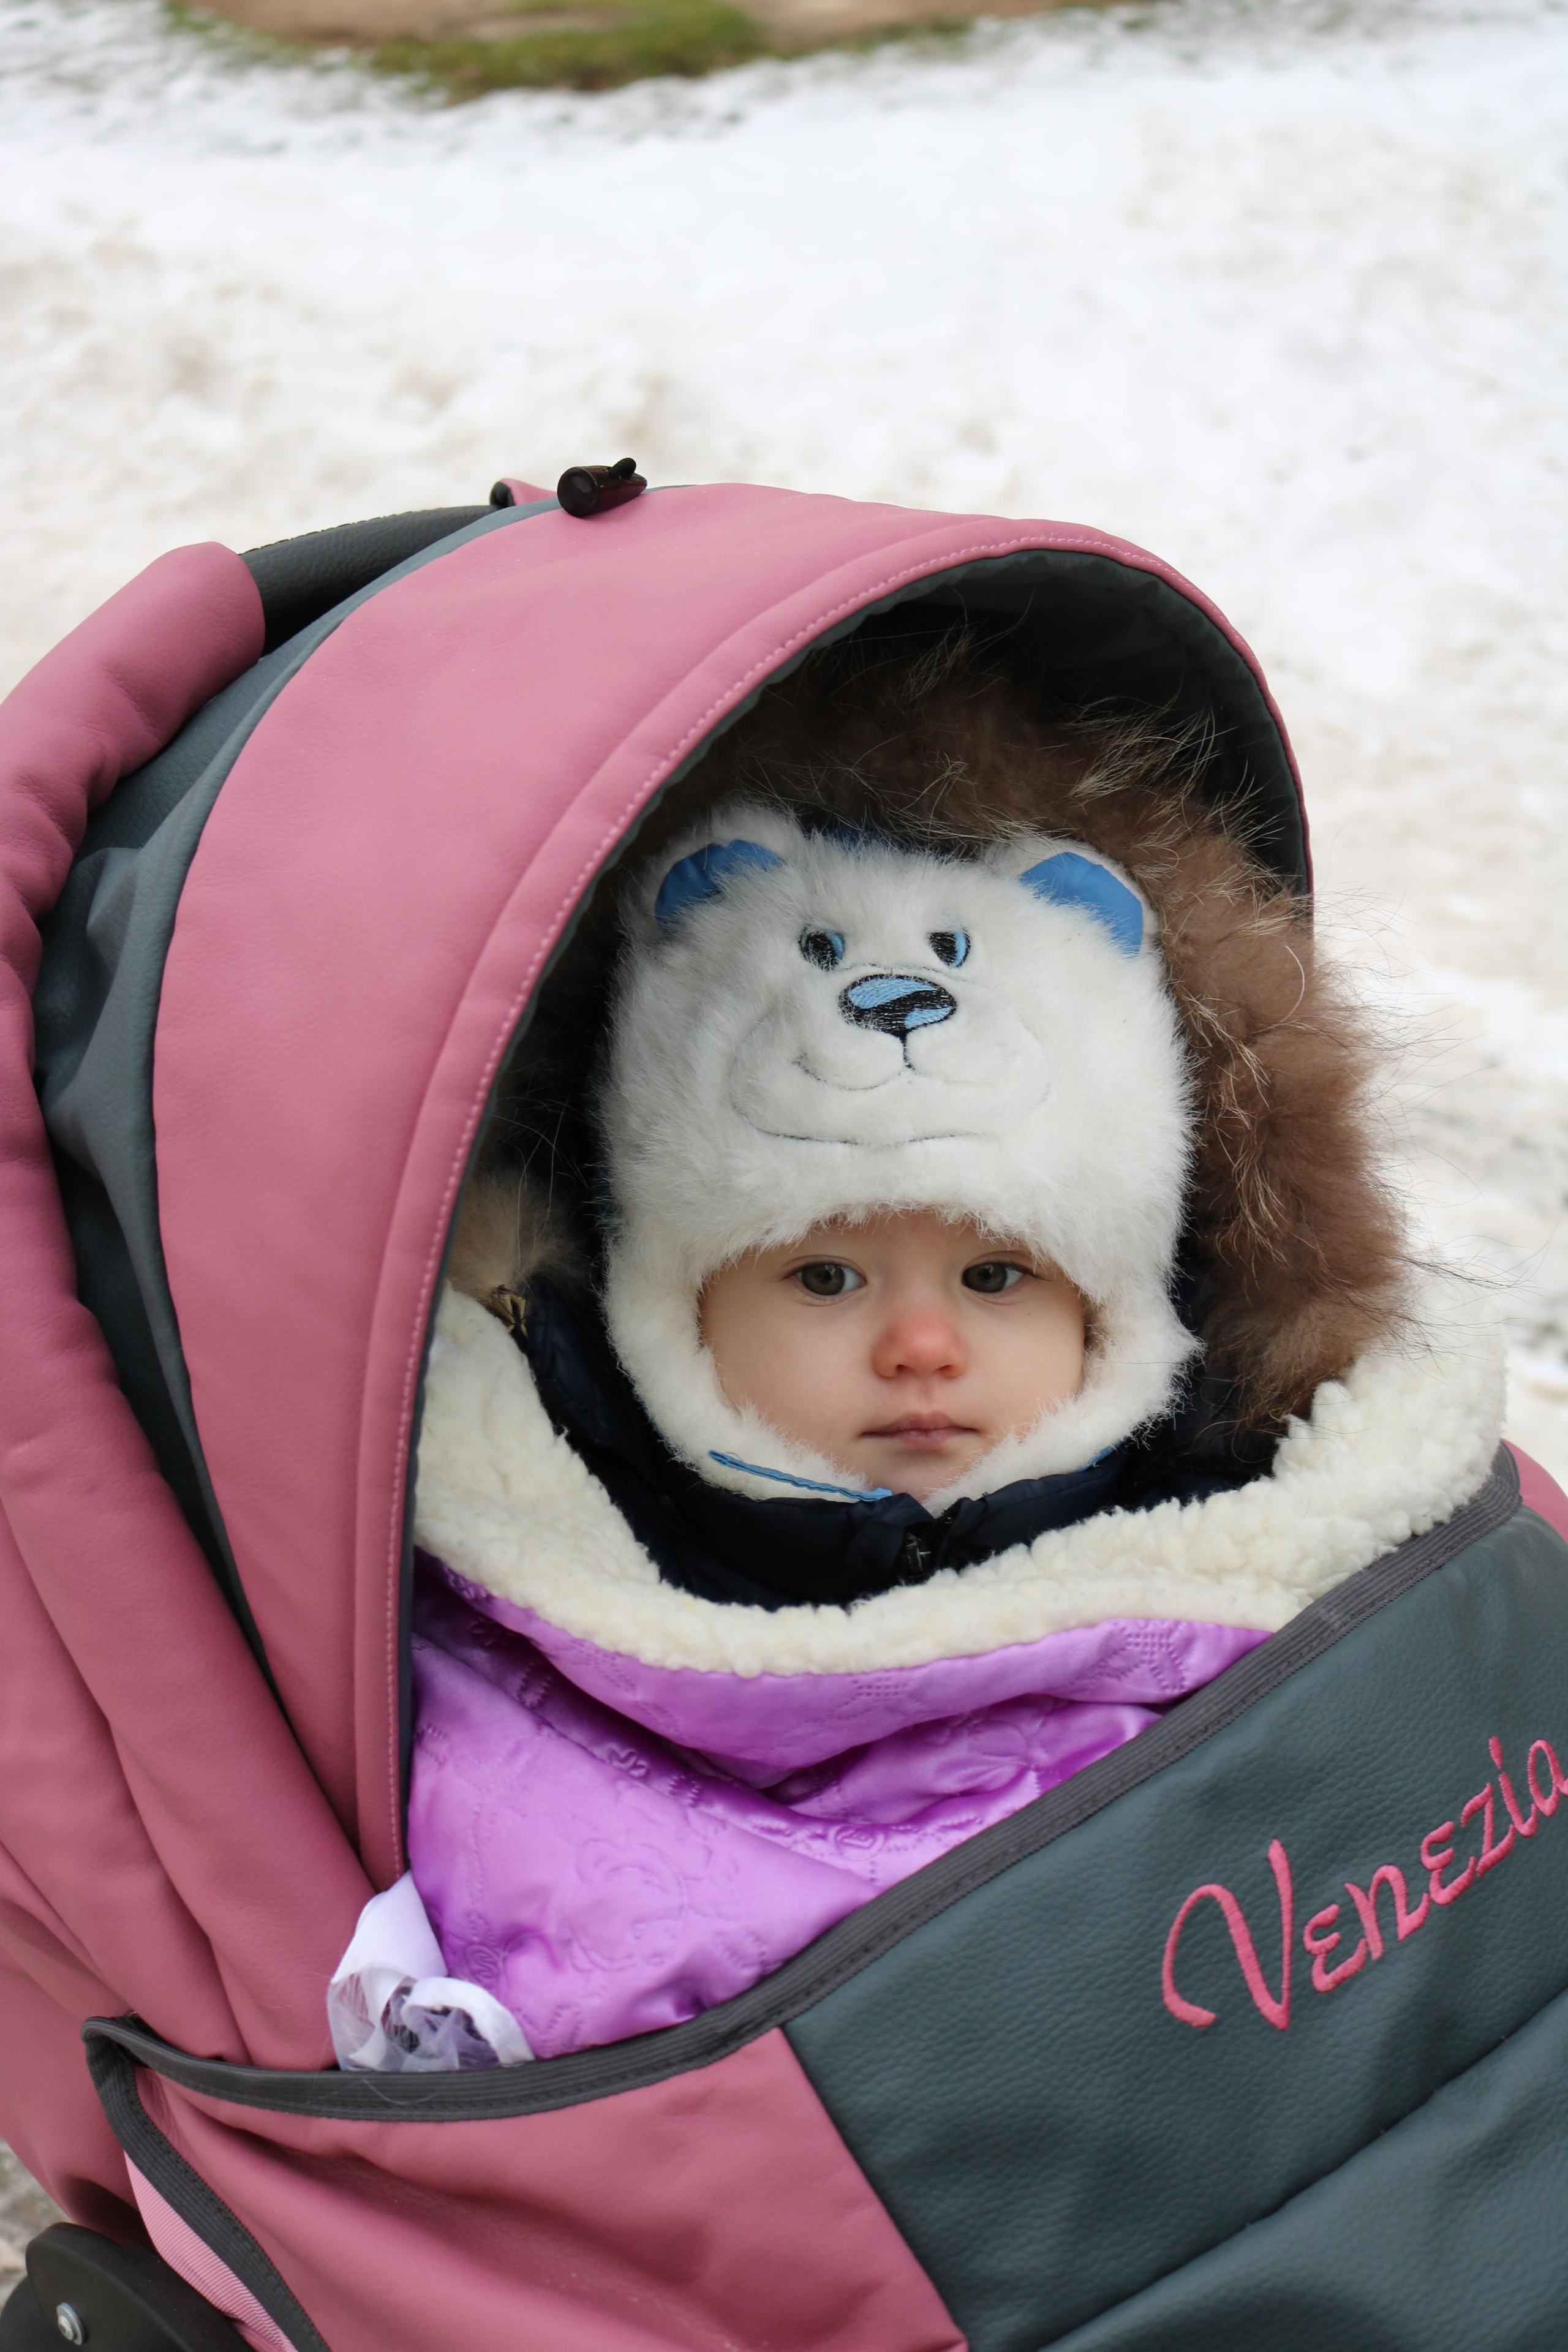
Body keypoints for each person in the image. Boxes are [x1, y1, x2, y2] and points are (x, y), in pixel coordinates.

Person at [328, 620, 1495, 2073]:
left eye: (998, 1272)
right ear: (668, 1307)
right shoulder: (555, 1532)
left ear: (1112, 1312)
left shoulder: (1250, 1512)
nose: (922, 1343)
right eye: (824, 1273)